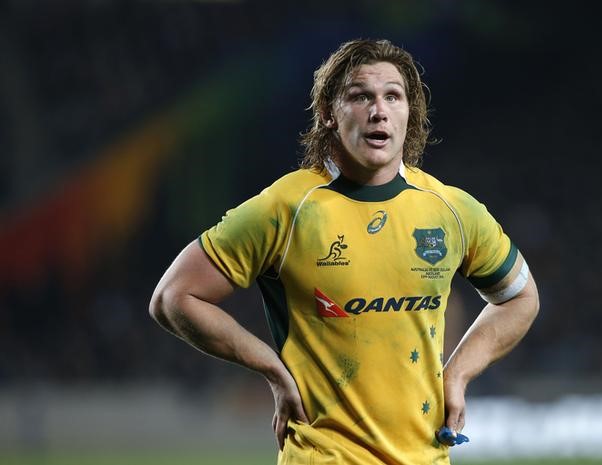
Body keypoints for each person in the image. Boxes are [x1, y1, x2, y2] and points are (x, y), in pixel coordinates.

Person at [149, 38, 539, 465]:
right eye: (360, 96)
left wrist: (459, 373)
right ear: (328, 115)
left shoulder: (450, 210)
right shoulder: (288, 208)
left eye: (393, 96)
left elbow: (519, 296)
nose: (379, 110)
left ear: (410, 114)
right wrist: (272, 369)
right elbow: (174, 297)